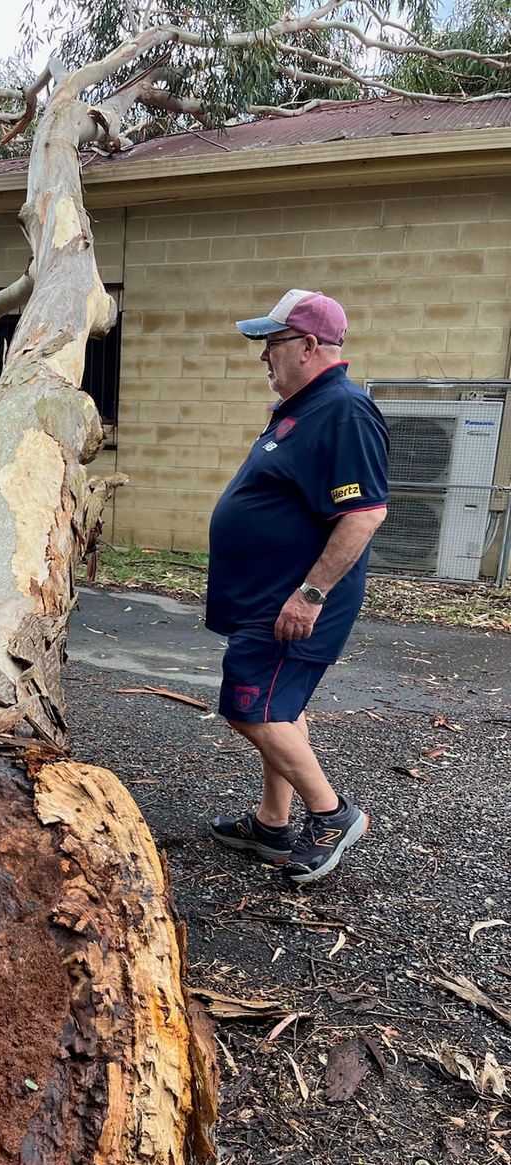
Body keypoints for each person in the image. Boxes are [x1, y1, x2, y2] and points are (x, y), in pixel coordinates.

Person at [206, 289, 388, 886]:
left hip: (295, 598)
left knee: (248, 705)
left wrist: (309, 595)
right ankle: (272, 823)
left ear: (309, 346)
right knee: (280, 706)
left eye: (273, 344)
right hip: (267, 593)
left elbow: (363, 514)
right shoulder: (302, 408)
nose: (264, 357)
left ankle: (333, 815)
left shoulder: (344, 410)